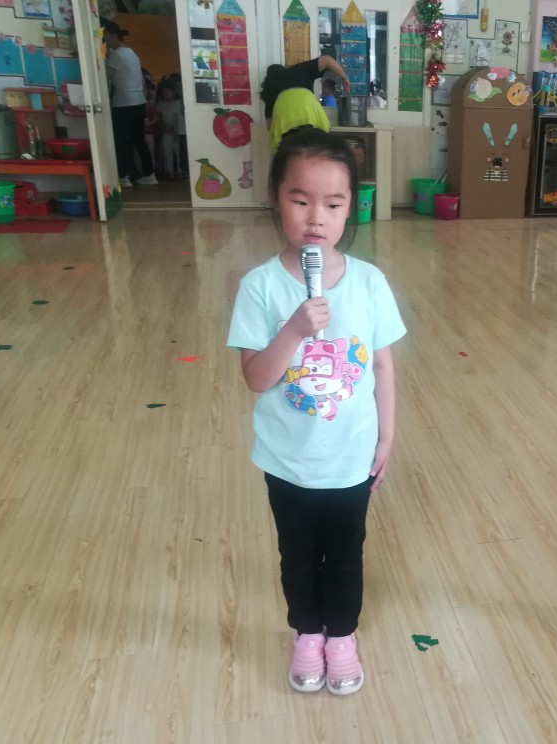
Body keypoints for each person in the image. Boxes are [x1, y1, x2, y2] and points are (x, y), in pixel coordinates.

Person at [227, 126, 406, 695]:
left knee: (347, 555)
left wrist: (386, 437)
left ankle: (342, 636)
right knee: (298, 555)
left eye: (333, 203)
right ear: (276, 198)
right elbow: (256, 378)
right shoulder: (259, 286)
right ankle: (307, 632)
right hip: (288, 461)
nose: (316, 218)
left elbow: (382, 366)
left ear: (351, 207)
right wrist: (294, 329)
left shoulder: (370, 283)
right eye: (300, 200)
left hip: (351, 457)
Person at [102, 20, 157, 187]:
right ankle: (149, 175)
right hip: (138, 102)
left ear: (113, 35)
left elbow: (104, 78)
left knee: (121, 140)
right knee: (138, 139)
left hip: (124, 103)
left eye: (105, 37)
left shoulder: (116, 55)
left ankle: (123, 177)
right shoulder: (131, 53)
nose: (104, 41)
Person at [261, 56, 351, 152]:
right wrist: (344, 78)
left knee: (293, 155)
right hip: (311, 117)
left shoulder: (270, 85)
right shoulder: (297, 70)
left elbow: (269, 125)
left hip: (287, 126)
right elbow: (327, 60)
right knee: (316, 151)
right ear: (285, 68)